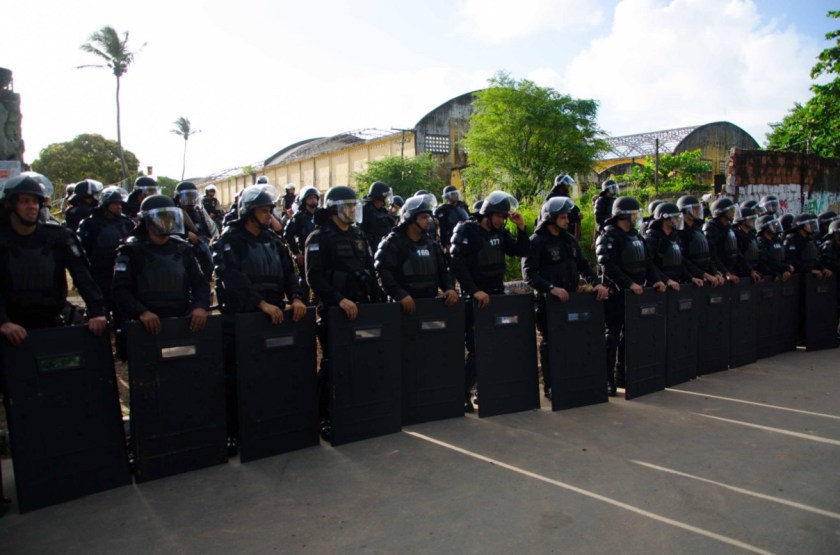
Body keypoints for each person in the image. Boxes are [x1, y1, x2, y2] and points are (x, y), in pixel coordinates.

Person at [213, 184, 307, 452]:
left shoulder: (274, 241)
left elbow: (290, 272)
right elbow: (231, 278)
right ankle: (233, 431)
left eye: (270, 210)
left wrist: (297, 297)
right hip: (241, 317)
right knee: (236, 376)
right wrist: (260, 303)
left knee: (275, 373)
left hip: (275, 313)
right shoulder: (230, 239)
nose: (269, 215)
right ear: (249, 211)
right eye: (264, 211)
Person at [305, 185, 380, 440]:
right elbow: (314, 277)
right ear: (334, 209)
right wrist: (339, 301)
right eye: (347, 206)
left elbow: (370, 271)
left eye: (353, 206)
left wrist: (379, 304)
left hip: (362, 307)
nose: (351, 210)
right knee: (331, 362)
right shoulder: (319, 237)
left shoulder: (359, 234)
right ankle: (323, 416)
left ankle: (356, 410)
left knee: (360, 361)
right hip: (334, 311)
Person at [0, 175, 107, 347]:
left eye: (35, 202)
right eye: (25, 201)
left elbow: (82, 275)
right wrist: (3, 322)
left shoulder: (58, 237)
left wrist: (97, 312)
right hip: (12, 326)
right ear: (9, 204)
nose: (32, 207)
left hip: (53, 320)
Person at [450, 190, 529, 412]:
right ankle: (463, 393)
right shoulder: (467, 230)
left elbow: (522, 250)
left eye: (505, 218)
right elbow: (457, 264)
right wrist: (474, 291)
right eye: (500, 217)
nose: (503, 221)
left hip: (496, 295)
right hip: (475, 298)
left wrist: (521, 228)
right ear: (488, 213)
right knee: (476, 349)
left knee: (497, 346)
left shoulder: (501, 232)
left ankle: (487, 391)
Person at [522, 196, 608, 400]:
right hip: (548, 301)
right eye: (562, 217)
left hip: (571, 299)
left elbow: (584, 265)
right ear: (550, 218)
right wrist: (551, 288)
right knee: (550, 343)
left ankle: (570, 379)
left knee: (572, 340)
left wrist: (596, 283)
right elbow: (529, 274)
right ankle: (550, 385)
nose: (567, 220)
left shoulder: (569, 239)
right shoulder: (536, 242)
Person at [596, 196, 670, 396]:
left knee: (630, 337)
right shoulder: (609, 236)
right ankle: (607, 380)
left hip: (636, 295)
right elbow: (607, 265)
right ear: (623, 216)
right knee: (611, 337)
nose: (636, 218)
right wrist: (629, 284)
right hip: (616, 295)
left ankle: (624, 376)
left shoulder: (636, 236)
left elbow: (648, 263)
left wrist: (655, 280)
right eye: (633, 214)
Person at [112, 194, 210, 337]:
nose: (167, 222)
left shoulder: (183, 249)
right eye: (162, 218)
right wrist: (141, 312)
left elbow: (200, 283)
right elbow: (120, 290)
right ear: (147, 220)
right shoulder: (131, 250)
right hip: (144, 323)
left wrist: (200, 306)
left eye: (170, 217)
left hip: (181, 319)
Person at [374, 193, 458, 313]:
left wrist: (449, 288)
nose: (429, 221)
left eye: (429, 217)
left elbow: (443, 270)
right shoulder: (393, 243)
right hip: (403, 308)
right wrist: (400, 295)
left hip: (431, 305)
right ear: (410, 219)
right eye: (424, 217)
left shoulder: (432, 244)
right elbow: (383, 273)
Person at [77, 186, 134, 315]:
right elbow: (82, 249)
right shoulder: (91, 224)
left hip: (122, 274)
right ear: (106, 205)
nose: (119, 206)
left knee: (123, 311)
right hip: (100, 273)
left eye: (120, 204)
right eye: (115, 204)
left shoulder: (126, 223)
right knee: (99, 311)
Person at [643, 202, 704, 287]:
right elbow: (650, 265)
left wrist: (691, 278)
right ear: (665, 219)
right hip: (658, 287)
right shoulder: (652, 238)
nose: (678, 220)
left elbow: (679, 263)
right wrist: (667, 280)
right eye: (675, 217)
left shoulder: (674, 237)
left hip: (674, 284)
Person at [676, 195, 725, 287]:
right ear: (684, 211)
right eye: (694, 209)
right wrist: (704, 275)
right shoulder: (679, 232)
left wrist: (714, 272)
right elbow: (684, 259)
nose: (698, 211)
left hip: (704, 278)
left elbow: (708, 254)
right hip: (689, 281)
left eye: (698, 208)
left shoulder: (697, 229)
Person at [175, 181, 218, 280]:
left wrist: (208, 237)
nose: (191, 199)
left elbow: (203, 226)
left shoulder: (196, 210)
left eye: (193, 196)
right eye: (188, 196)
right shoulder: (175, 211)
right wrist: (186, 234)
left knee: (208, 262)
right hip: (181, 245)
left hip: (198, 242)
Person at [284, 185, 320, 301]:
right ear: (305, 200)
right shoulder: (298, 217)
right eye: (310, 198)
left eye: (315, 197)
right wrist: (296, 253)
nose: (313, 200)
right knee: (304, 280)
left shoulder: (321, 214)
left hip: (320, 253)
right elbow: (288, 234)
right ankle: (304, 304)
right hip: (304, 253)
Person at [703, 197, 745, 284]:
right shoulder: (711, 228)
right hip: (719, 275)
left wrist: (750, 270)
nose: (733, 212)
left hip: (731, 271)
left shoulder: (729, 227)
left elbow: (736, 251)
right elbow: (712, 254)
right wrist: (725, 273)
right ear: (721, 212)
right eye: (731, 210)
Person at [785, 213, 833, 279]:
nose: (812, 226)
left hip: (811, 277)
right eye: (809, 224)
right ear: (801, 226)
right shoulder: (792, 240)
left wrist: (823, 268)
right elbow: (794, 261)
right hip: (799, 278)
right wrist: (810, 270)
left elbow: (815, 258)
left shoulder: (810, 239)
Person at [360, 181, 395, 253]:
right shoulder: (365, 210)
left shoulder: (384, 211)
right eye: (386, 196)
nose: (387, 198)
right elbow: (361, 232)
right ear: (381, 196)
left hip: (385, 250)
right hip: (371, 251)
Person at [732, 203, 763, 283]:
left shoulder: (751, 234)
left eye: (754, 218)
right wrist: (749, 271)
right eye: (751, 219)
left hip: (753, 270)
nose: (753, 221)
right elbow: (739, 256)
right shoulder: (737, 235)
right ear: (743, 220)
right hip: (741, 273)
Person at [434, 185, 470, 253]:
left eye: (456, 193)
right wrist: (445, 244)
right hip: (451, 240)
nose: (455, 195)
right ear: (446, 196)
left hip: (466, 237)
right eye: (453, 194)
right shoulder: (442, 210)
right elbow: (442, 229)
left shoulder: (463, 206)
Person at [755, 215, 793, 281]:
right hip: (769, 276)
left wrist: (787, 270)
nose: (775, 227)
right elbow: (766, 261)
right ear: (765, 227)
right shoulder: (760, 242)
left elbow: (785, 255)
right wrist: (785, 268)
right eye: (772, 225)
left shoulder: (777, 240)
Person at [545, 175, 582, 239]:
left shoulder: (566, 196)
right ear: (560, 185)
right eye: (566, 184)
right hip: (554, 229)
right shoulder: (552, 196)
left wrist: (577, 214)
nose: (568, 186)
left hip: (566, 229)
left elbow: (573, 208)